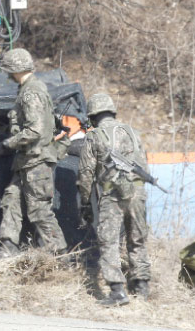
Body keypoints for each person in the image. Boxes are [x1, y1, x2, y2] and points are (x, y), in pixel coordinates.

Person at [77, 93, 151, 306]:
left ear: (92, 115)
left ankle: (118, 292)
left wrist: (84, 202)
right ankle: (142, 290)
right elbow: (144, 166)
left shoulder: (94, 136)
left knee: (108, 241)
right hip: (138, 191)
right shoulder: (133, 132)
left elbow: (85, 174)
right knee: (137, 239)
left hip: (113, 194)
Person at [0, 48, 67, 257]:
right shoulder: (29, 89)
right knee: (11, 200)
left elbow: (34, 130)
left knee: (39, 211)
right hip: (27, 161)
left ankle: (60, 255)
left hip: (36, 161)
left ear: (14, 69)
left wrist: (8, 144)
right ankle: (8, 245)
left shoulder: (31, 92)